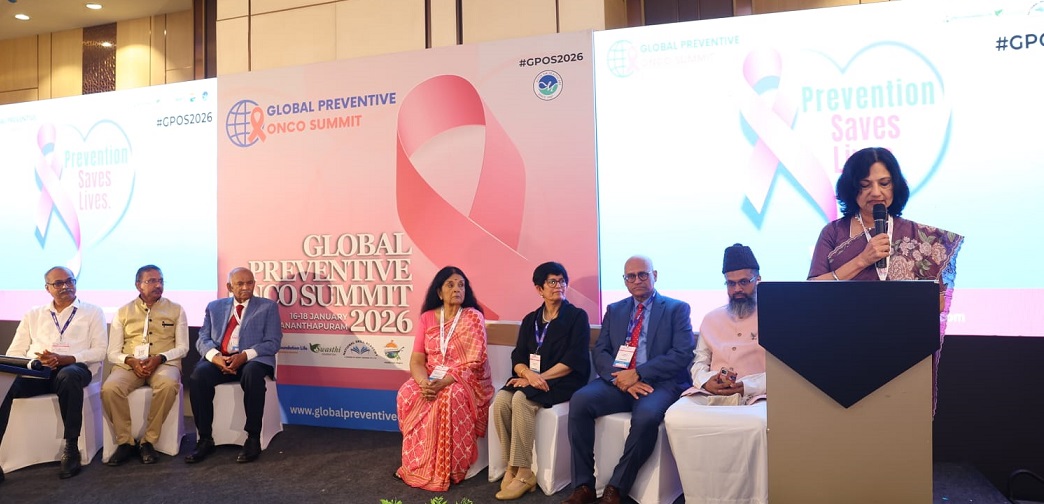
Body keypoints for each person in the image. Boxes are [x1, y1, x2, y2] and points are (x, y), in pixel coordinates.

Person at [808, 147, 963, 411]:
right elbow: (810, 292)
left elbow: (936, 303)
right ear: (851, 188)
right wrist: (862, 260)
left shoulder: (918, 236)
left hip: (901, 351)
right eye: (865, 184)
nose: (876, 192)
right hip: (843, 349)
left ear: (896, 185)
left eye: (884, 183)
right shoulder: (833, 233)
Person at [563, 255, 695, 504]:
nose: (637, 280)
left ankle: (616, 487)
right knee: (580, 400)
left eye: (643, 274)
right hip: (619, 380)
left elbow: (682, 353)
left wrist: (639, 373)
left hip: (660, 383)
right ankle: (583, 485)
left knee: (646, 417)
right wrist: (619, 378)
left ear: (655, 275)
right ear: (625, 280)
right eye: (631, 276)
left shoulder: (676, 309)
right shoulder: (615, 310)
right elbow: (600, 351)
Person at [664, 244, 768, 504]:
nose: (737, 289)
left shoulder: (777, 316)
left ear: (758, 279)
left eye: (744, 282)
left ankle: (753, 498)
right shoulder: (711, 318)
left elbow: (782, 372)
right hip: (712, 394)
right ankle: (699, 496)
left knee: (756, 425)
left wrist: (746, 386)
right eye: (731, 283)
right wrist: (706, 382)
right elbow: (699, 362)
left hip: (757, 395)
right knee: (676, 417)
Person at [492, 262, 591, 500]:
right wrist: (527, 375)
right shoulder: (531, 320)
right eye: (552, 282)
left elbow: (573, 360)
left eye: (562, 281)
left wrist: (538, 378)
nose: (559, 286)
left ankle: (525, 472)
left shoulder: (577, 317)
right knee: (501, 401)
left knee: (521, 400)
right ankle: (512, 465)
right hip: (533, 378)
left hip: (564, 379)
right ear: (539, 289)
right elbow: (518, 356)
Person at [0, 266, 106, 482]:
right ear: (47, 288)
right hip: (37, 372)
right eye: (58, 283)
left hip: (74, 368)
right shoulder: (34, 314)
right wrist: (35, 362)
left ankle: (71, 448)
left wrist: (67, 358)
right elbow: (14, 352)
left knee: (69, 376)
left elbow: (100, 351)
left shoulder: (93, 311)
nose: (66, 286)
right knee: (4, 382)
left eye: (70, 281)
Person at [396, 266, 494, 491]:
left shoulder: (473, 317)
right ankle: (417, 463)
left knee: (450, 397)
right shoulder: (427, 318)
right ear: (439, 292)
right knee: (407, 392)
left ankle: (450, 467)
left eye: (461, 285)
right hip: (431, 375)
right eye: (450, 285)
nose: (457, 289)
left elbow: (475, 361)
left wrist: (445, 381)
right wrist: (424, 384)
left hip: (465, 379)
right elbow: (417, 360)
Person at [185, 267, 283, 464]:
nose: (246, 287)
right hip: (221, 359)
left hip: (252, 360)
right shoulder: (214, 307)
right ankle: (205, 439)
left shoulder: (267, 307)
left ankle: (253, 437)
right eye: (240, 284)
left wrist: (245, 356)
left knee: (252, 374)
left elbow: (273, 342)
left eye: (250, 283)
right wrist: (215, 357)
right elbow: (202, 338)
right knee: (198, 377)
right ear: (229, 287)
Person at [101, 265, 189, 466]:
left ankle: (148, 441)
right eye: (152, 281)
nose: (158, 285)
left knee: (168, 385)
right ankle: (125, 442)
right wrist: (131, 361)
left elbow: (183, 348)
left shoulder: (176, 310)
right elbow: (112, 353)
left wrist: (160, 358)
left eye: (161, 281)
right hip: (130, 364)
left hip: (164, 363)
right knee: (110, 388)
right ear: (138, 285)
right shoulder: (123, 312)